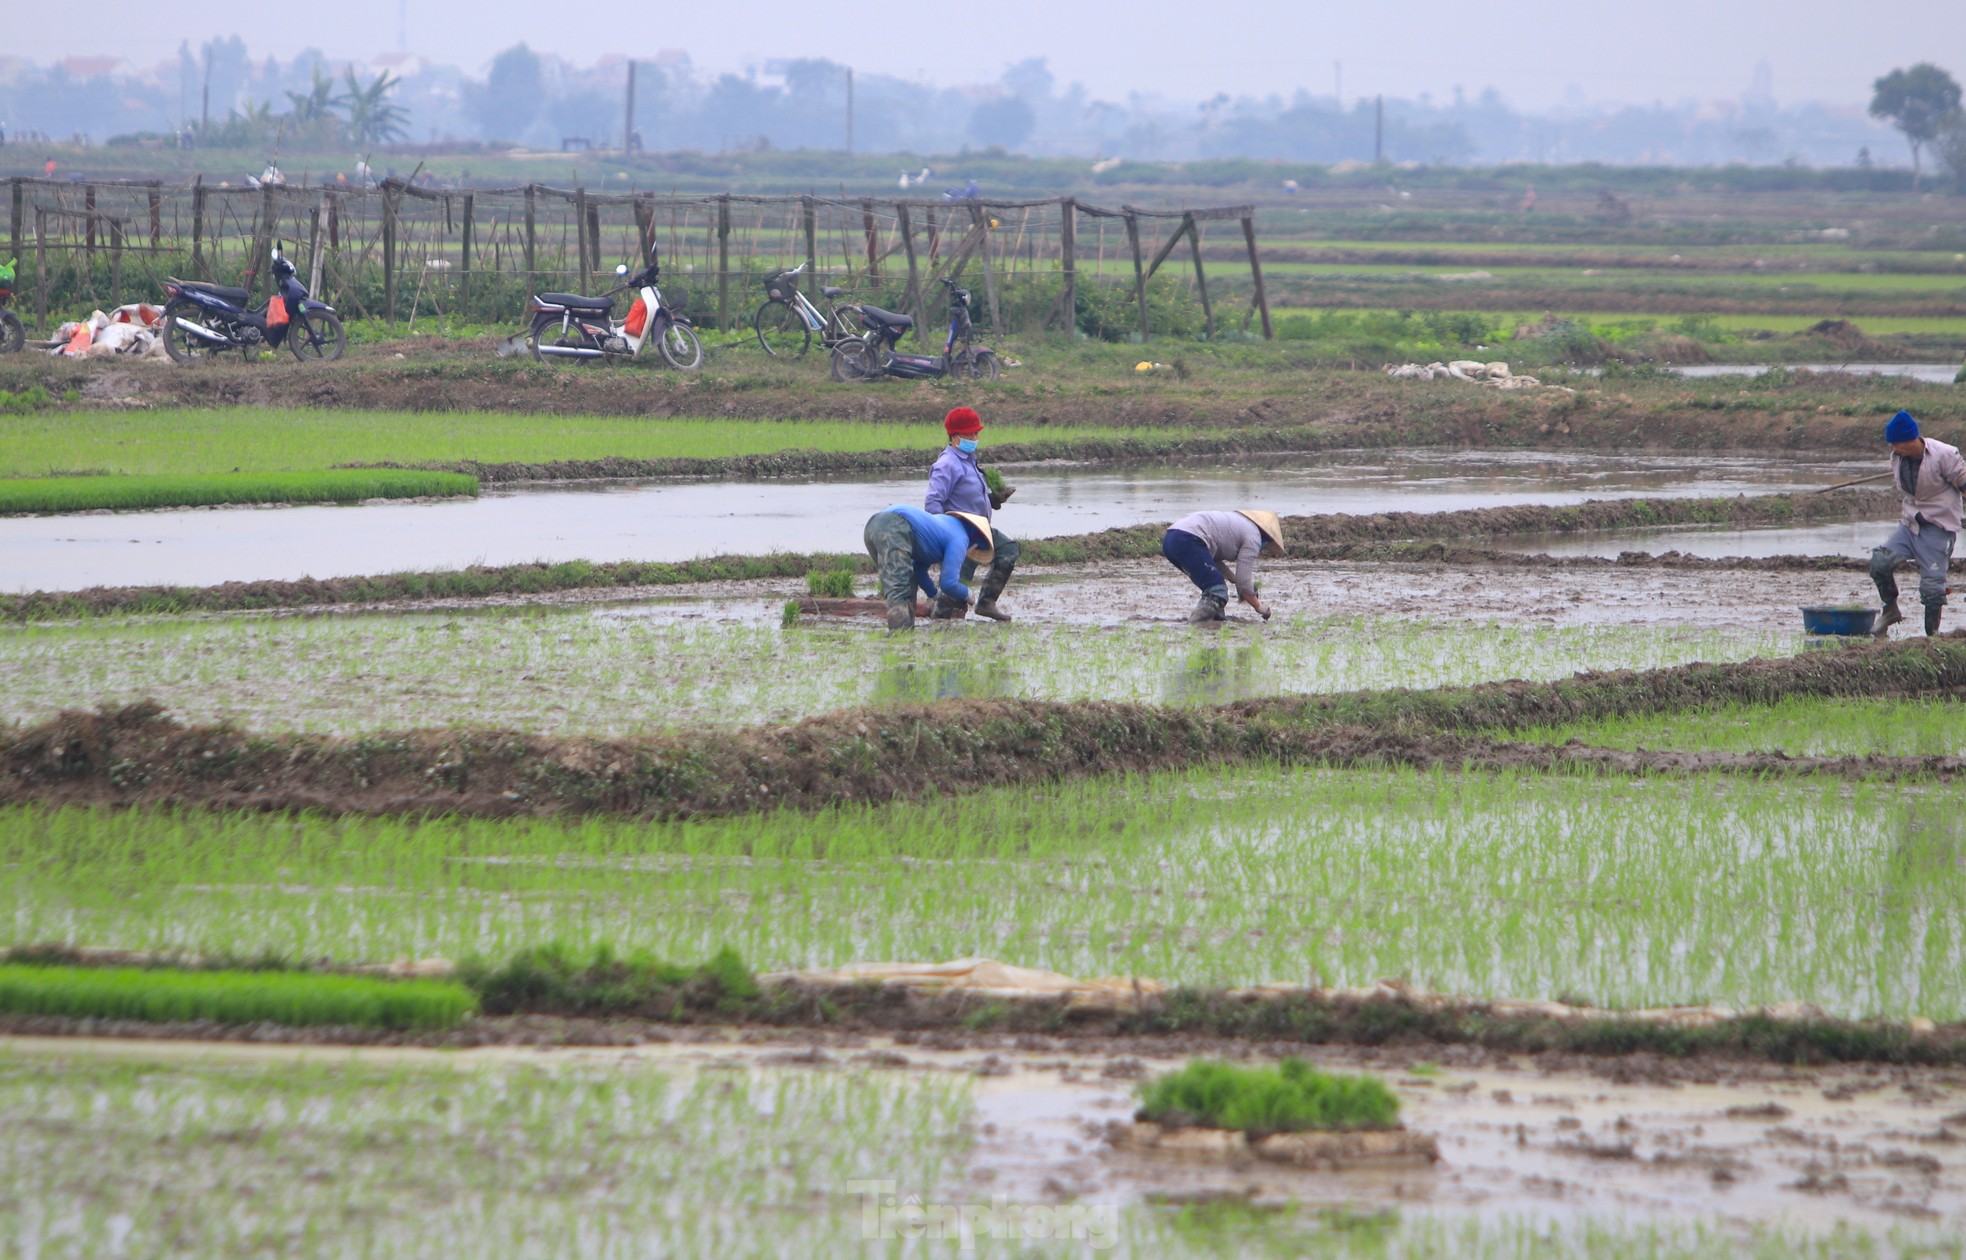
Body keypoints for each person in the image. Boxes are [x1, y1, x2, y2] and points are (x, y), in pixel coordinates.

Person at [1872, 410, 1966, 638]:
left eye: (1896, 443)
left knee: (1932, 588)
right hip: (1911, 523)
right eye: (1891, 444)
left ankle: (1931, 636)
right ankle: (1890, 609)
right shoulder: (1897, 457)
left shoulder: (1944, 455)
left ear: (1911, 438)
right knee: (1880, 563)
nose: (1893, 448)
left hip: (1939, 526)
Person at [925, 406, 1019, 622]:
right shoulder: (947, 464)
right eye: (970, 434)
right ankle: (939, 620)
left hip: (980, 530)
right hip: (959, 533)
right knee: (956, 585)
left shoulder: (970, 461)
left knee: (1008, 551)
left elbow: (976, 497)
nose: (975, 438)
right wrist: (942, 537)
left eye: (976, 433)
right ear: (955, 437)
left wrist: (995, 499)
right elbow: (933, 501)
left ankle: (986, 602)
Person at [863, 505, 994, 632]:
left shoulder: (944, 527)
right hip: (894, 526)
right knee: (899, 590)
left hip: (872, 525)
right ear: (976, 543)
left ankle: (906, 632)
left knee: (908, 582)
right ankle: (899, 639)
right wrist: (968, 594)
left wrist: (933, 594)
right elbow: (948, 583)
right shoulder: (961, 539)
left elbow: (918, 570)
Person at [1161, 510, 1285, 623]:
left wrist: (1233, 578)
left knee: (1213, 584)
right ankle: (1196, 625)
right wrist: (1259, 607)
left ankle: (1215, 622)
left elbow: (1211, 560)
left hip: (1171, 539)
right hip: (1188, 540)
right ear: (1267, 538)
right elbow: (1244, 582)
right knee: (1217, 591)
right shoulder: (1254, 538)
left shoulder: (1239, 525)